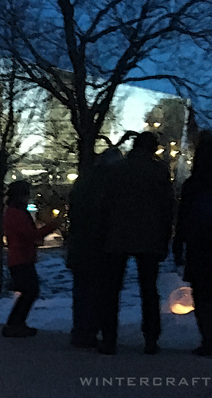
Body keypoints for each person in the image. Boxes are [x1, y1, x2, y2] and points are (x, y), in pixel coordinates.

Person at [99, 132, 173, 355]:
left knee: (112, 289)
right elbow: (167, 208)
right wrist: (164, 239)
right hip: (149, 237)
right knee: (149, 290)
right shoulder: (159, 171)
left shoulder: (117, 170)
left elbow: (105, 205)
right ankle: (150, 339)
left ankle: (109, 338)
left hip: (118, 235)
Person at [173, 130, 212, 356]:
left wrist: (179, 244)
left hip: (198, 244)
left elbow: (184, 217)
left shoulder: (192, 184)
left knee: (201, 292)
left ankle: (207, 337)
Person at [66, 147, 123, 348]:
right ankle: (93, 330)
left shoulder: (83, 183)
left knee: (82, 290)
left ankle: (81, 330)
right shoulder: (113, 185)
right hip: (102, 246)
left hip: (81, 245)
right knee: (102, 291)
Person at [2, 180, 61, 338]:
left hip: (19, 257)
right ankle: (15, 323)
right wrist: (53, 225)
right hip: (22, 258)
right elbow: (31, 234)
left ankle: (16, 323)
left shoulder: (13, 212)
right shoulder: (17, 213)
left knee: (29, 291)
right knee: (30, 291)